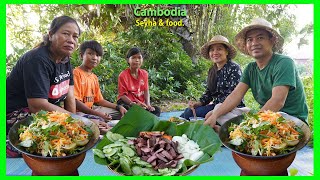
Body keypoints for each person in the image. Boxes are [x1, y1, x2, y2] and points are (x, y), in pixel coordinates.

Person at [204, 18, 308, 129]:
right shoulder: (250, 68)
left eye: (260, 38)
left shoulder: (284, 63)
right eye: (249, 40)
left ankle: (236, 133)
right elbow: (235, 95)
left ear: (272, 40)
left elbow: (277, 101)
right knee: (218, 109)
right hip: (265, 116)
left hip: (290, 119)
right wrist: (215, 115)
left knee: (251, 126)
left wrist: (249, 126)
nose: (254, 43)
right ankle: (235, 132)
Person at [6, 15, 80, 157]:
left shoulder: (66, 60)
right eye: (66, 34)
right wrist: (77, 121)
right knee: (44, 146)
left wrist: (75, 125)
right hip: (15, 113)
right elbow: (37, 106)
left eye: (75, 36)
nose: (71, 40)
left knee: (92, 126)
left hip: (43, 114)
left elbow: (70, 96)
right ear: (51, 35)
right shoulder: (37, 59)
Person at [180, 35, 247, 121]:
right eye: (212, 50)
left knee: (188, 114)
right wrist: (199, 103)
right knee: (189, 111)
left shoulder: (234, 68)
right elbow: (209, 93)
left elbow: (233, 95)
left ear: (226, 52)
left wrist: (214, 110)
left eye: (219, 49)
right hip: (216, 106)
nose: (215, 52)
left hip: (232, 107)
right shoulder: (212, 70)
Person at [73, 40, 127, 130]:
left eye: (98, 55)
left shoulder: (93, 77)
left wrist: (118, 107)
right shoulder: (76, 73)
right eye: (90, 54)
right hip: (78, 112)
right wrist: (96, 114)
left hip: (92, 109)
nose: (95, 58)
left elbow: (99, 100)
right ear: (81, 55)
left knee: (122, 113)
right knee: (98, 120)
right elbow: (75, 102)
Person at [117, 47, 161, 116]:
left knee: (157, 110)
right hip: (128, 103)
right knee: (127, 109)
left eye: (139, 58)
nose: (137, 60)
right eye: (133, 58)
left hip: (140, 103)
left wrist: (148, 105)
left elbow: (146, 91)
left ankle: (143, 115)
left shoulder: (144, 73)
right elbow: (122, 96)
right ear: (128, 60)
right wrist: (132, 104)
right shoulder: (123, 75)